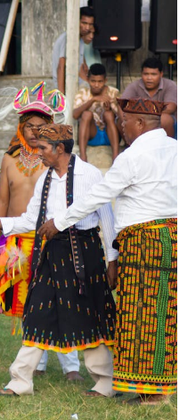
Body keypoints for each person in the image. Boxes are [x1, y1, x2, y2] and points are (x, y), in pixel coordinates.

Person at [40, 98, 177, 405]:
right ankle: (156, 391)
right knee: (164, 315)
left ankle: (153, 397)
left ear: (140, 123)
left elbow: (98, 196)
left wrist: (59, 222)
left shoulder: (133, 156)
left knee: (141, 316)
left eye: (124, 121)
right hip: (172, 238)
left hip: (144, 243)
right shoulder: (175, 149)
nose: (120, 127)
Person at [0, 124, 118, 398]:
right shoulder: (45, 178)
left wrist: (112, 261)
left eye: (43, 148)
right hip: (51, 255)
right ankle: (20, 381)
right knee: (36, 312)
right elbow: (31, 220)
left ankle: (106, 382)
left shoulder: (90, 174)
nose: (38, 153)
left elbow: (107, 218)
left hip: (84, 253)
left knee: (87, 316)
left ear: (60, 149)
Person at [0, 82, 83, 380]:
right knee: (29, 302)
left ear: (51, 128)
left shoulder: (54, 160)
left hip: (51, 239)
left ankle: (71, 365)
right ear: (20, 127)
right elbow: (1, 200)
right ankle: (36, 363)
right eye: (29, 126)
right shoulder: (9, 159)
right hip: (16, 242)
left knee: (61, 299)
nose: (34, 132)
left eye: (41, 126)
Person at [73, 63, 121, 162]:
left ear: (105, 81)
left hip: (110, 134)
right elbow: (75, 115)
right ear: (88, 80)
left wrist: (110, 108)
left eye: (100, 81)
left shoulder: (113, 92)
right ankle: (83, 157)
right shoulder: (82, 93)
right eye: (93, 81)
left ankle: (115, 157)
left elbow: (122, 116)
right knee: (87, 114)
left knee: (108, 114)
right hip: (92, 135)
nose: (96, 85)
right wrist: (92, 100)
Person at [121, 57, 177, 138]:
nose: (149, 78)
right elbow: (122, 105)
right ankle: (131, 148)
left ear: (161, 74)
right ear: (141, 74)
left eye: (153, 74)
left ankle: (166, 147)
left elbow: (170, 108)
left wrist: (148, 118)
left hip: (161, 118)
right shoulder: (134, 85)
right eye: (146, 74)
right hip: (140, 119)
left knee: (164, 119)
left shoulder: (170, 85)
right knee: (122, 120)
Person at [52, 6, 95, 94]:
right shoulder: (68, 38)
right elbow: (61, 67)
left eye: (90, 24)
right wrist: (61, 96)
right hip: (67, 88)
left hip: (77, 86)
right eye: (84, 23)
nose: (87, 27)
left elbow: (81, 67)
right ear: (76, 21)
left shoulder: (80, 40)